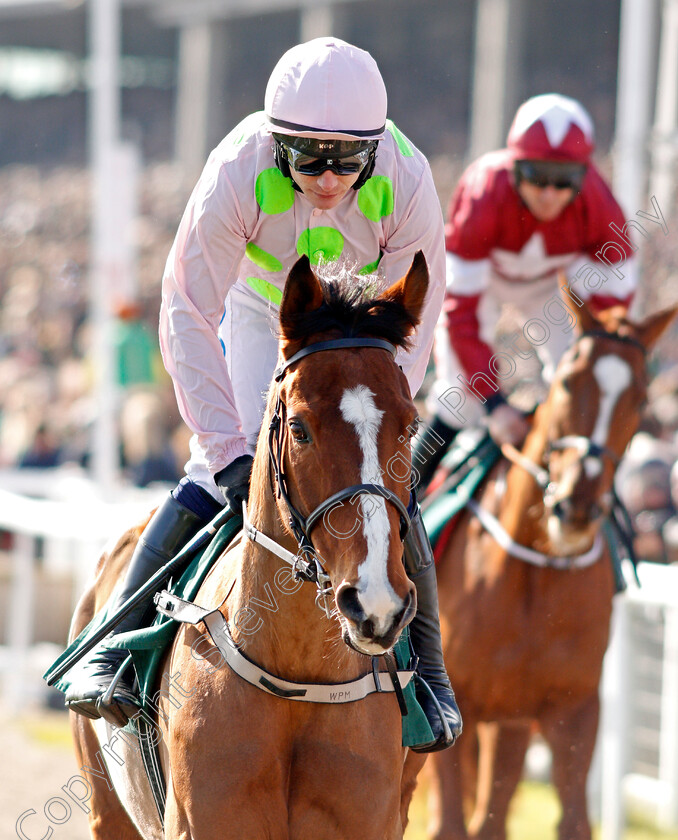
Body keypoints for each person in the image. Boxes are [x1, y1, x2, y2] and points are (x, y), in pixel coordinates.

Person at [66, 36, 462, 751]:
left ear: (374, 149)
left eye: (347, 158)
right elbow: (186, 307)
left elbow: (417, 318)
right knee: (224, 466)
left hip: (367, 318)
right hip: (261, 308)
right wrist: (223, 450)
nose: (330, 178)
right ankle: (117, 643)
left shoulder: (408, 179)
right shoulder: (235, 171)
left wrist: (390, 424)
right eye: (308, 157)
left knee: (383, 480)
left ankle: (429, 673)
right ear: (277, 144)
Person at [413, 93, 638, 494]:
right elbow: (462, 314)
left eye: (564, 179)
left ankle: (599, 500)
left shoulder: (600, 204)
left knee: (582, 384)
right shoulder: (483, 191)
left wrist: (589, 362)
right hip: (483, 286)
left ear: (584, 177)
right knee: (459, 398)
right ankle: (403, 488)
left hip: (551, 288)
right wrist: (495, 406)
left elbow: (614, 308)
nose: (549, 193)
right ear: (514, 168)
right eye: (537, 175)